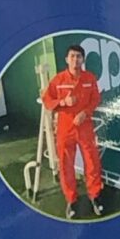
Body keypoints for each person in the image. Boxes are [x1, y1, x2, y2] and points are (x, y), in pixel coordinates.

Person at [40, 44, 106, 217]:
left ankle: (95, 196)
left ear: (83, 59)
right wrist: (62, 102)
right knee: (65, 165)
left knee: (92, 162)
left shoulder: (89, 78)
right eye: (72, 56)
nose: (75, 59)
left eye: (78, 56)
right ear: (66, 59)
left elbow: (95, 99)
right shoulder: (58, 80)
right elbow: (46, 99)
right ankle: (71, 200)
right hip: (65, 128)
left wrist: (86, 113)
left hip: (85, 127)